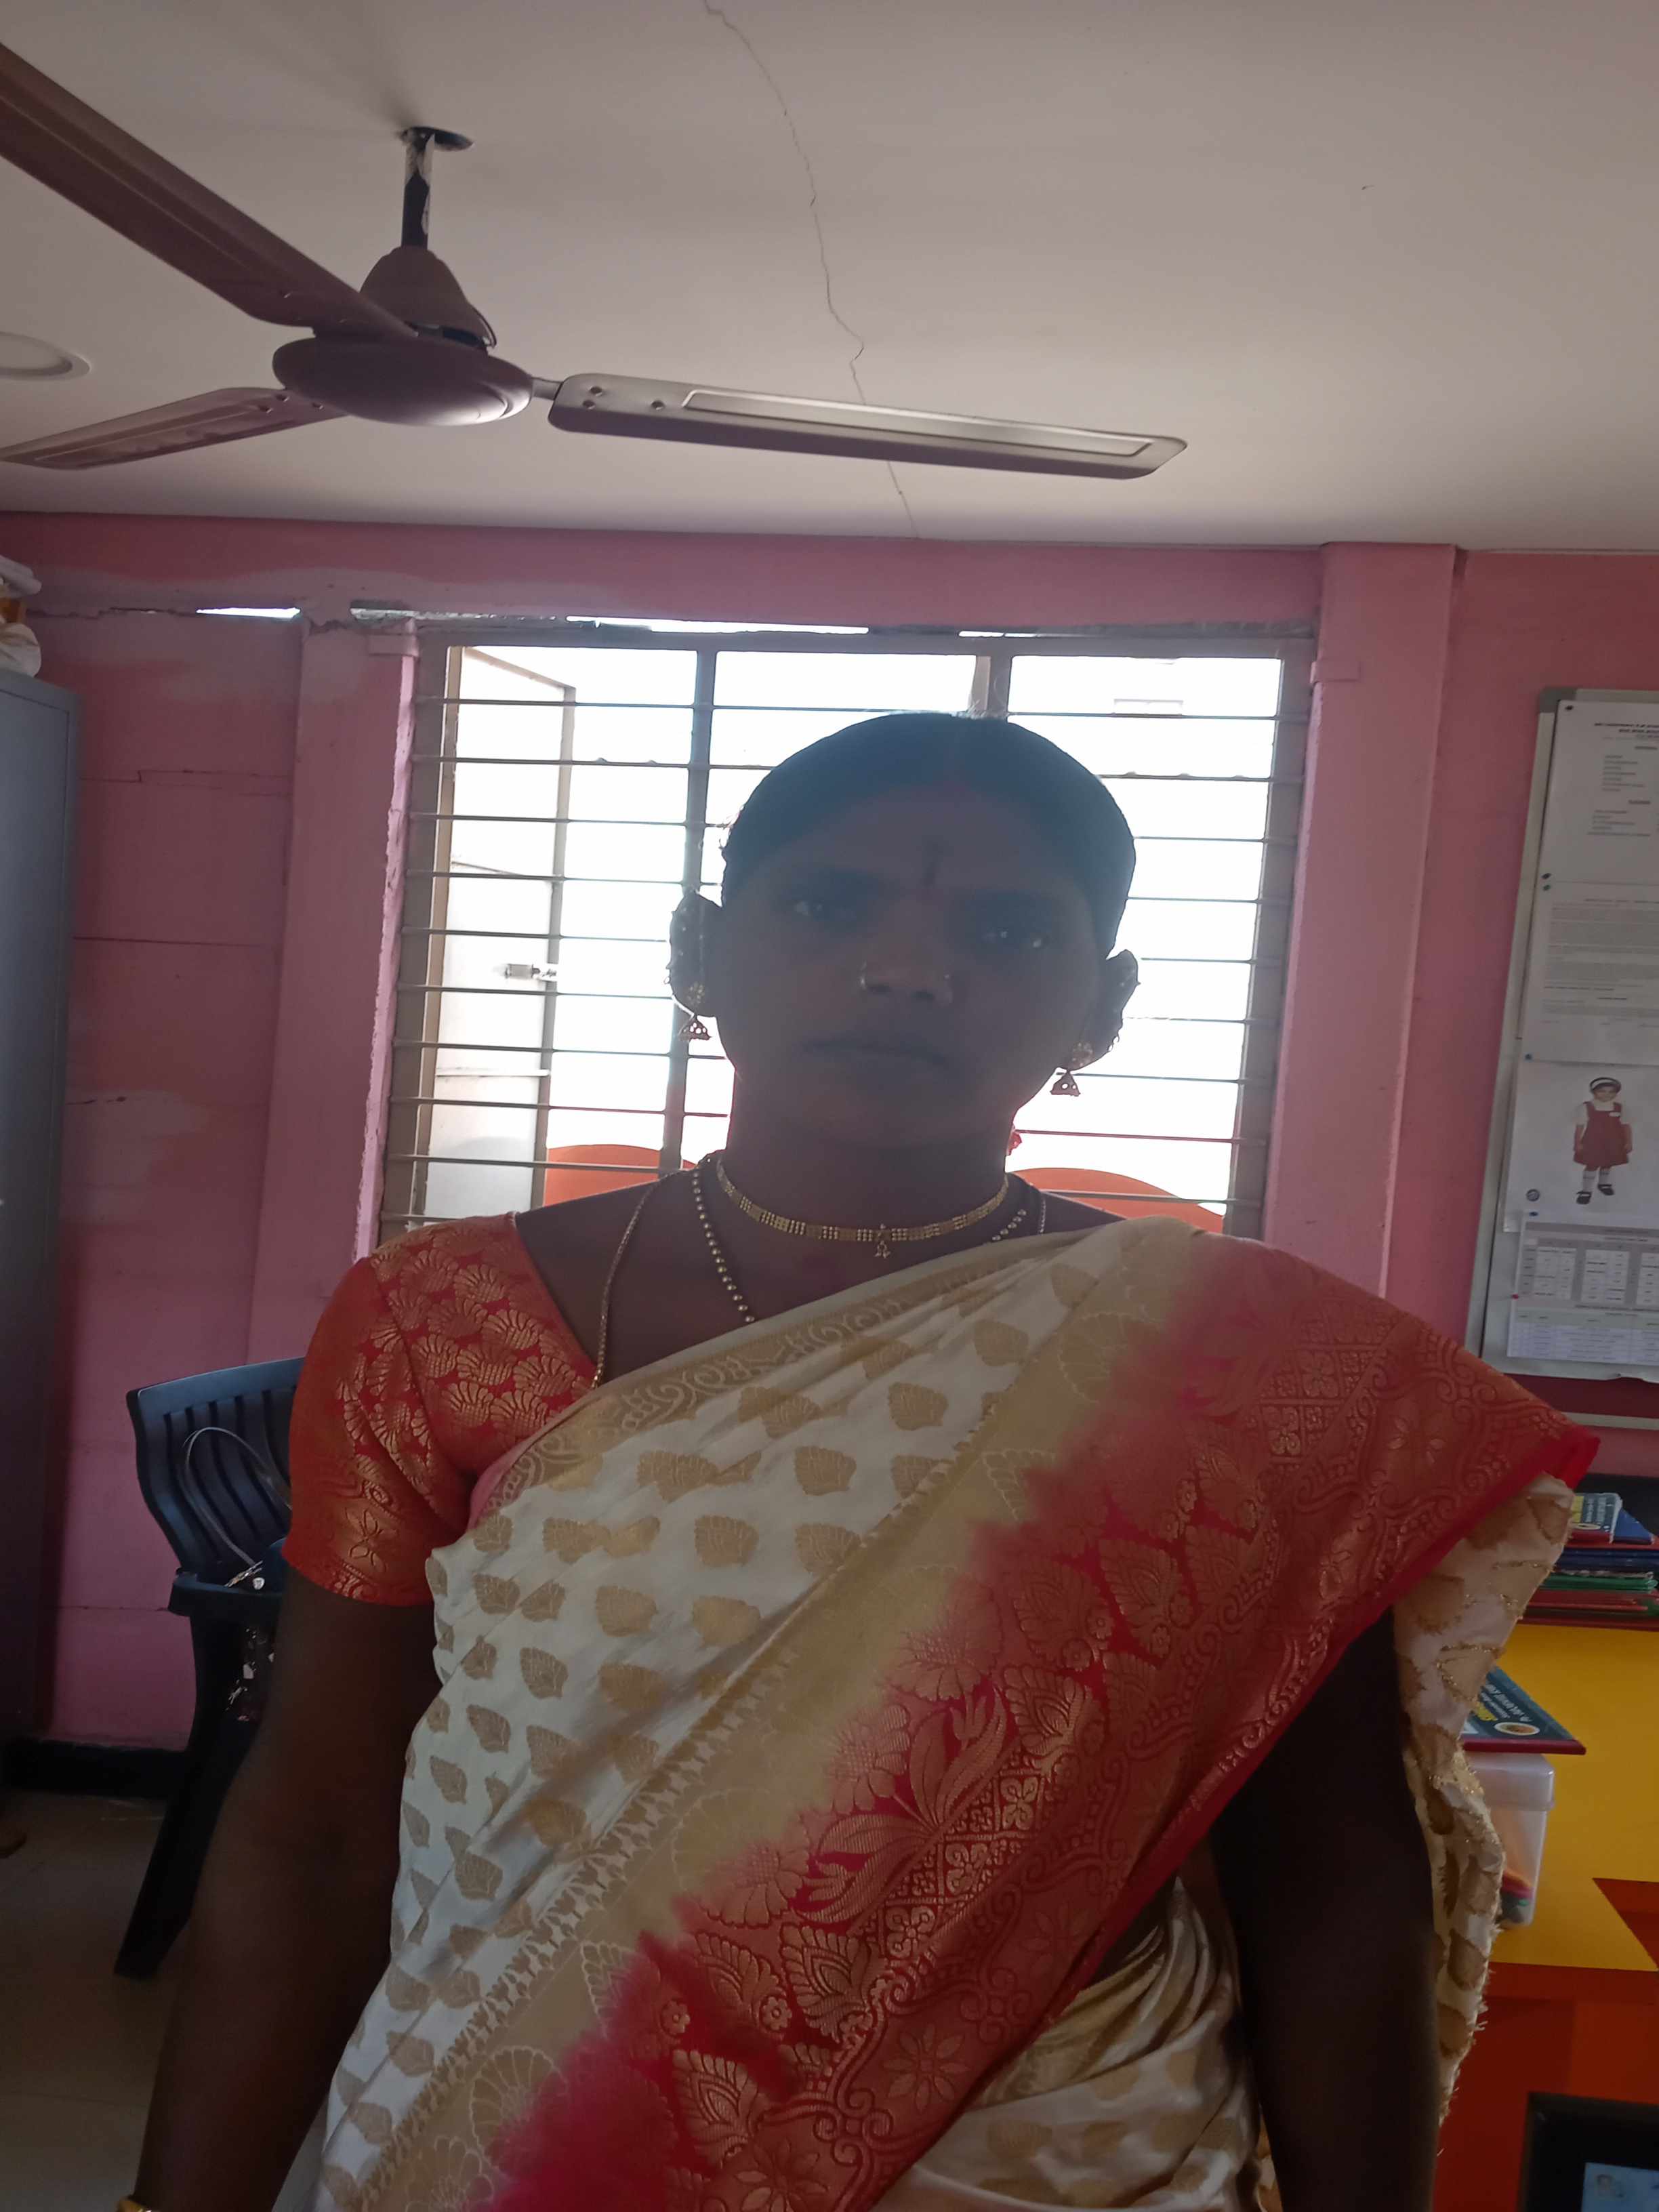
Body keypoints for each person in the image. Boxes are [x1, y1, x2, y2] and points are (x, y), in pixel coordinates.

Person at [128, 714, 1591, 2212]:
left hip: (1058, 2156)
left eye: (1006, 928)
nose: (908, 967)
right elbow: (316, 1825)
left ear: (1102, 1006)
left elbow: (1331, 1869)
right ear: (699, 952)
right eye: (830, 903)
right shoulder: (443, 1320)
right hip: (531, 2131)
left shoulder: (1245, 1368)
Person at [1574, 1076, 1633, 1203]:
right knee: (1592, 1165)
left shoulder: (1620, 1108)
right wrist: (1577, 1143)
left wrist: (1629, 1142)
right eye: (1602, 1091)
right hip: (1593, 1142)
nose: (1607, 1094)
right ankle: (1586, 1191)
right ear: (1593, 1092)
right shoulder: (1587, 1107)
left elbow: (1626, 1126)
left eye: (1611, 1092)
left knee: (1608, 1163)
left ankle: (1603, 1184)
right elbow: (1580, 1126)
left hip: (1614, 1142)